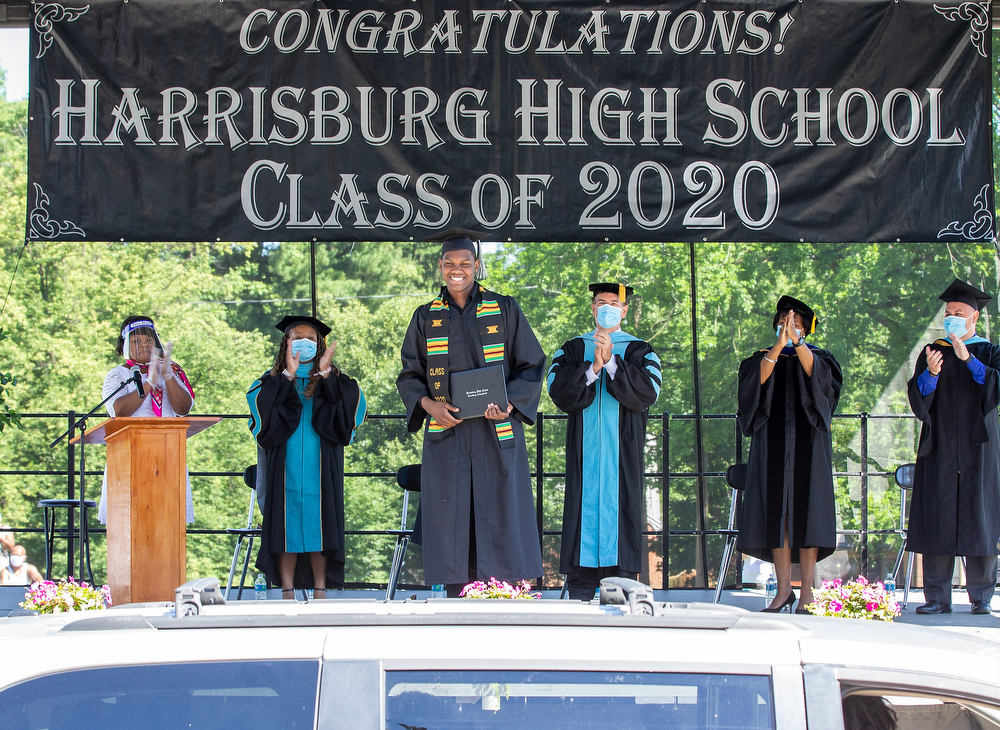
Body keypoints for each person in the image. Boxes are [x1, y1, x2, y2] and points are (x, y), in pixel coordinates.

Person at [397, 231, 546, 596]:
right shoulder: (425, 318)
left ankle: (504, 600)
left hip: (496, 433)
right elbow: (410, 375)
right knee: (452, 522)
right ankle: (455, 599)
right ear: (440, 267)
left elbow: (531, 364)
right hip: (448, 435)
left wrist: (510, 403)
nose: (457, 270)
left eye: (465, 263)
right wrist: (429, 405)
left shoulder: (504, 309)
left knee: (500, 517)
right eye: (450, 264)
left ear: (477, 265)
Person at [547, 282, 661, 600]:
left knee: (620, 545)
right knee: (581, 529)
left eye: (614, 302)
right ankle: (580, 594)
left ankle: (620, 598)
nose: (608, 306)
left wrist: (612, 362)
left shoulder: (641, 351)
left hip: (622, 460)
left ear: (624, 310)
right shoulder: (572, 349)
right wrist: (594, 367)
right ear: (593, 308)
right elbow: (558, 392)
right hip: (584, 460)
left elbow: (647, 393)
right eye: (601, 302)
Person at [247, 316, 366, 598]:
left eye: (310, 338)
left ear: (320, 344)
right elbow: (259, 411)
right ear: (285, 343)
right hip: (284, 465)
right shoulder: (271, 380)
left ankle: (320, 589)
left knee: (319, 524)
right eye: (296, 337)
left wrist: (326, 376)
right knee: (285, 525)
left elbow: (353, 410)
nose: (304, 342)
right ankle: (287, 590)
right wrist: (287, 376)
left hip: (320, 465)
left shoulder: (333, 379)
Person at [737, 296, 842, 613]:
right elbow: (754, 387)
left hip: (808, 448)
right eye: (784, 321)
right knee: (777, 518)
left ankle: (807, 594)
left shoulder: (820, 359)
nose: (789, 326)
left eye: (796, 322)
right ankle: (783, 592)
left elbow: (822, 385)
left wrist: (797, 344)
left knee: (808, 517)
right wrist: (780, 346)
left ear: (807, 328)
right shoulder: (761, 358)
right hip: (771, 447)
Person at [906, 279, 1000, 615]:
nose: (951, 318)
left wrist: (969, 359)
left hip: (980, 447)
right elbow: (919, 399)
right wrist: (930, 374)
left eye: (958, 313)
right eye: (948, 313)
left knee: (980, 516)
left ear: (973, 317)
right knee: (938, 515)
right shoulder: (934, 350)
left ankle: (981, 598)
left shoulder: (989, 351)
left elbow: (995, 386)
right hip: (941, 445)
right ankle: (936, 597)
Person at [98, 316, 196, 524]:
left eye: (148, 340)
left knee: (168, 520)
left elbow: (183, 408)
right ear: (124, 345)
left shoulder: (170, 371)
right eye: (136, 341)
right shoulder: (117, 375)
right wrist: (148, 383)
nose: (144, 345)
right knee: (131, 521)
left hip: (168, 456)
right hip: (129, 458)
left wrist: (166, 376)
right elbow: (119, 411)